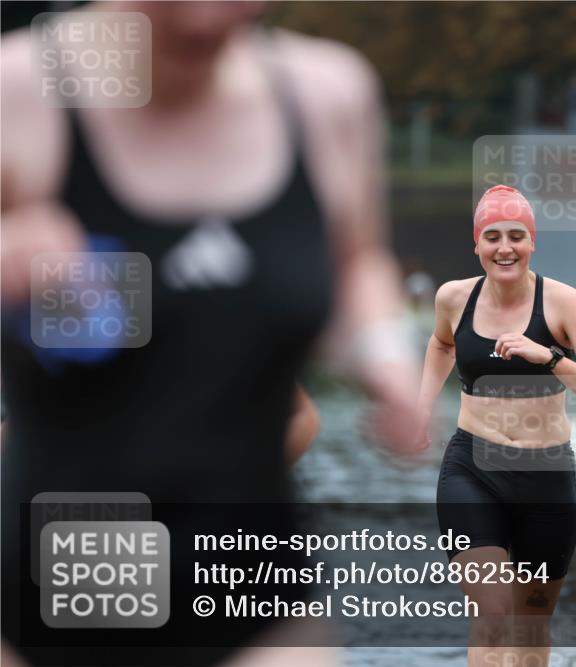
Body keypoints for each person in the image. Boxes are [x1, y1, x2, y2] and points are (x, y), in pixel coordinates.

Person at [1, 3, 424, 666]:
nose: (202, 24)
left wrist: (384, 356)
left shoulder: (327, 94)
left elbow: (355, 257)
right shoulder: (18, 91)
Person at [416, 184, 576, 667]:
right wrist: (421, 405)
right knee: (490, 613)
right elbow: (442, 345)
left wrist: (551, 359)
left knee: (530, 625)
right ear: (476, 245)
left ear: (533, 242)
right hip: (473, 468)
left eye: (516, 236)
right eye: (492, 236)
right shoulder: (453, 298)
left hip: (545, 475)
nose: (504, 247)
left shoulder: (564, 304)